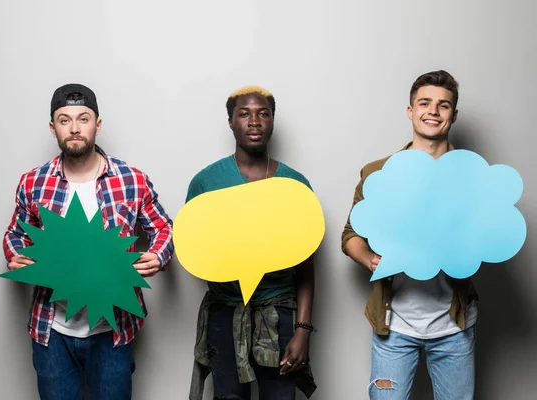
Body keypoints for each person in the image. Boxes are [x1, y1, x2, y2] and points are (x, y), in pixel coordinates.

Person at [2, 83, 174, 400]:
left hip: (113, 329)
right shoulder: (33, 181)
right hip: (52, 330)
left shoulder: (131, 179)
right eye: (65, 120)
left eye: (83, 118)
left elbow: (163, 227)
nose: (75, 128)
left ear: (98, 124)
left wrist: (158, 255)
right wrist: (16, 255)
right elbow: (15, 233)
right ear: (53, 128)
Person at [341, 70, 478, 399]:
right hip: (394, 325)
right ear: (410, 111)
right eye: (424, 102)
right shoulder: (378, 173)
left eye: (443, 105)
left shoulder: (470, 175)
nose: (433, 110)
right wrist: (371, 260)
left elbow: (482, 239)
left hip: (453, 325)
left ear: (453, 115)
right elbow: (350, 236)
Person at [187, 86, 317, 400]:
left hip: (280, 314)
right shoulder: (206, 182)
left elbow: (307, 268)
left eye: (263, 113)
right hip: (225, 312)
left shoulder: (295, 186)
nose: (254, 121)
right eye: (244, 114)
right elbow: (194, 247)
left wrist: (302, 331)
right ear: (231, 122)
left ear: (273, 121)